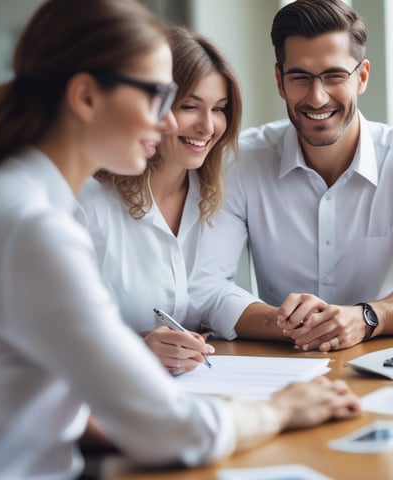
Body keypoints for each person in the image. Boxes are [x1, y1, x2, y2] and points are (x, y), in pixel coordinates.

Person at [0, 1, 361, 478]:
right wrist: (280, 410)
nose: (167, 122)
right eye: (156, 97)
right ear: (85, 97)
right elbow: (170, 429)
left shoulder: (21, 198)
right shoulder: (36, 226)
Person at [189, 0, 393, 353]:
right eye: (300, 77)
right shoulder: (240, 162)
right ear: (280, 81)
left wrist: (364, 318)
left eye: (334, 76)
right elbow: (207, 288)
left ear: (361, 77)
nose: (317, 98)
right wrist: (291, 326)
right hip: (284, 360)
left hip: (384, 360)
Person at [77, 25, 241, 376]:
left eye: (219, 109)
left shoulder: (212, 193)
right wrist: (136, 346)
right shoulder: (88, 200)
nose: (207, 126)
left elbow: (210, 295)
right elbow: (52, 332)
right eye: (189, 106)